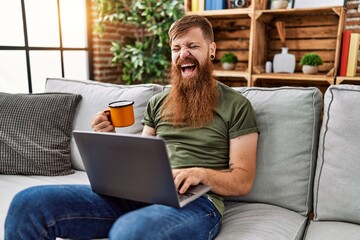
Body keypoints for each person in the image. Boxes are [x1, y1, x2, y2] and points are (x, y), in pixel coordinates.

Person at [5, 15, 258, 240]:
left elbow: (243, 180)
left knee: (132, 231)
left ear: (211, 49)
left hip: (197, 203)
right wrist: (110, 139)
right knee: (28, 203)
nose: (183, 54)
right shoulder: (158, 102)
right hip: (141, 194)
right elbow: (143, 157)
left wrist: (202, 174)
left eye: (192, 46)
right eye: (176, 48)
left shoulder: (237, 105)